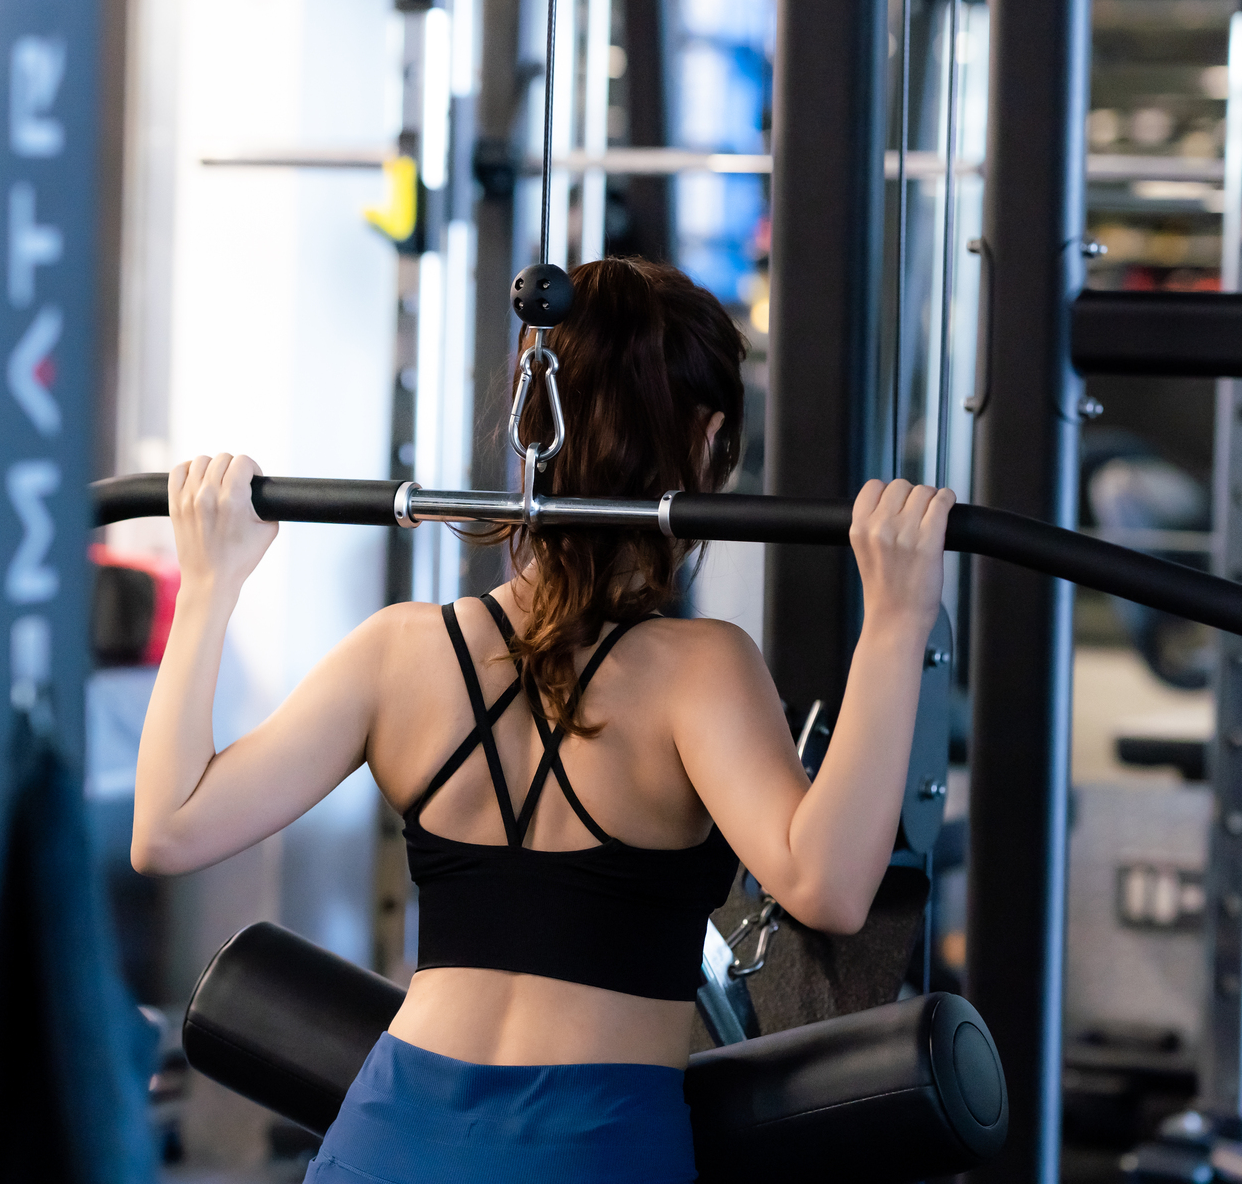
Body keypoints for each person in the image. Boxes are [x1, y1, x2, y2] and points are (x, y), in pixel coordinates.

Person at [133, 256, 954, 1184]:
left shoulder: (401, 651)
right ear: (708, 438)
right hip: (592, 1150)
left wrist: (209, 584)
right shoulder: (699, 670)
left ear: (533, 428)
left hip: (388, 1139)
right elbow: (831, 889)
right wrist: (897, 620)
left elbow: (169, 826)